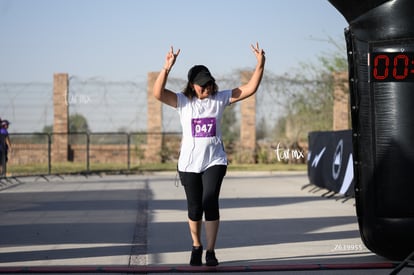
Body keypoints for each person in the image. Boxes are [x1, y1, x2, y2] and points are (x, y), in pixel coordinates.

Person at [153, 43, 265, 266]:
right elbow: (157, 93)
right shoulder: (183, 102)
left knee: (209, 200)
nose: (207, 88)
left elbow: (250, 88)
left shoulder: (220, 98)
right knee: (195, 208)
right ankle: (197, 245)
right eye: (202, 85)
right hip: (188, 164)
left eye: (209, 83)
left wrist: (260, 64)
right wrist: (166, 68)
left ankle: (211, 251)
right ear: (192, 86)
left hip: (215, 160)